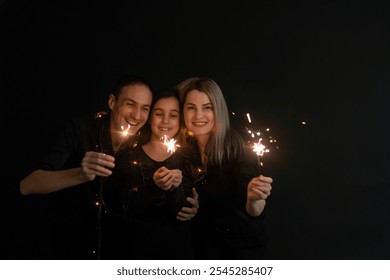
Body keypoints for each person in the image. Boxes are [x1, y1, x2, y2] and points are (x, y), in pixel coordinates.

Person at [19, 74, 154, 259]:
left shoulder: (145, 142)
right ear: (112, 102)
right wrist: (80, 174)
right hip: (66, 251)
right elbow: (28, 185)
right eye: (130, 104)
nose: (137, 116)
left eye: (145, 108)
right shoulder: (81, 130)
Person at [177, 77, 273, 259]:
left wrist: (253, 199)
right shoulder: (187, 147)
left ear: (218, 110)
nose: (198, 116)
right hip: (203, 245)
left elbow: (255, 210)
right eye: (191, 108)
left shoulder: (236, 149)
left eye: (207, 107)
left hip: (239, 250)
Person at [103, 89, 200, 259]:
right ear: (149, 118)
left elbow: (184, 211)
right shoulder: (129, 156)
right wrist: (154, 187)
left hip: (178, 252)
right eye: (159, 113)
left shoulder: (189, 156)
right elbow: (124, 209)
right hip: (135, 250)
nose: (165, 121)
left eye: (173, 115)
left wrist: (176, 188)